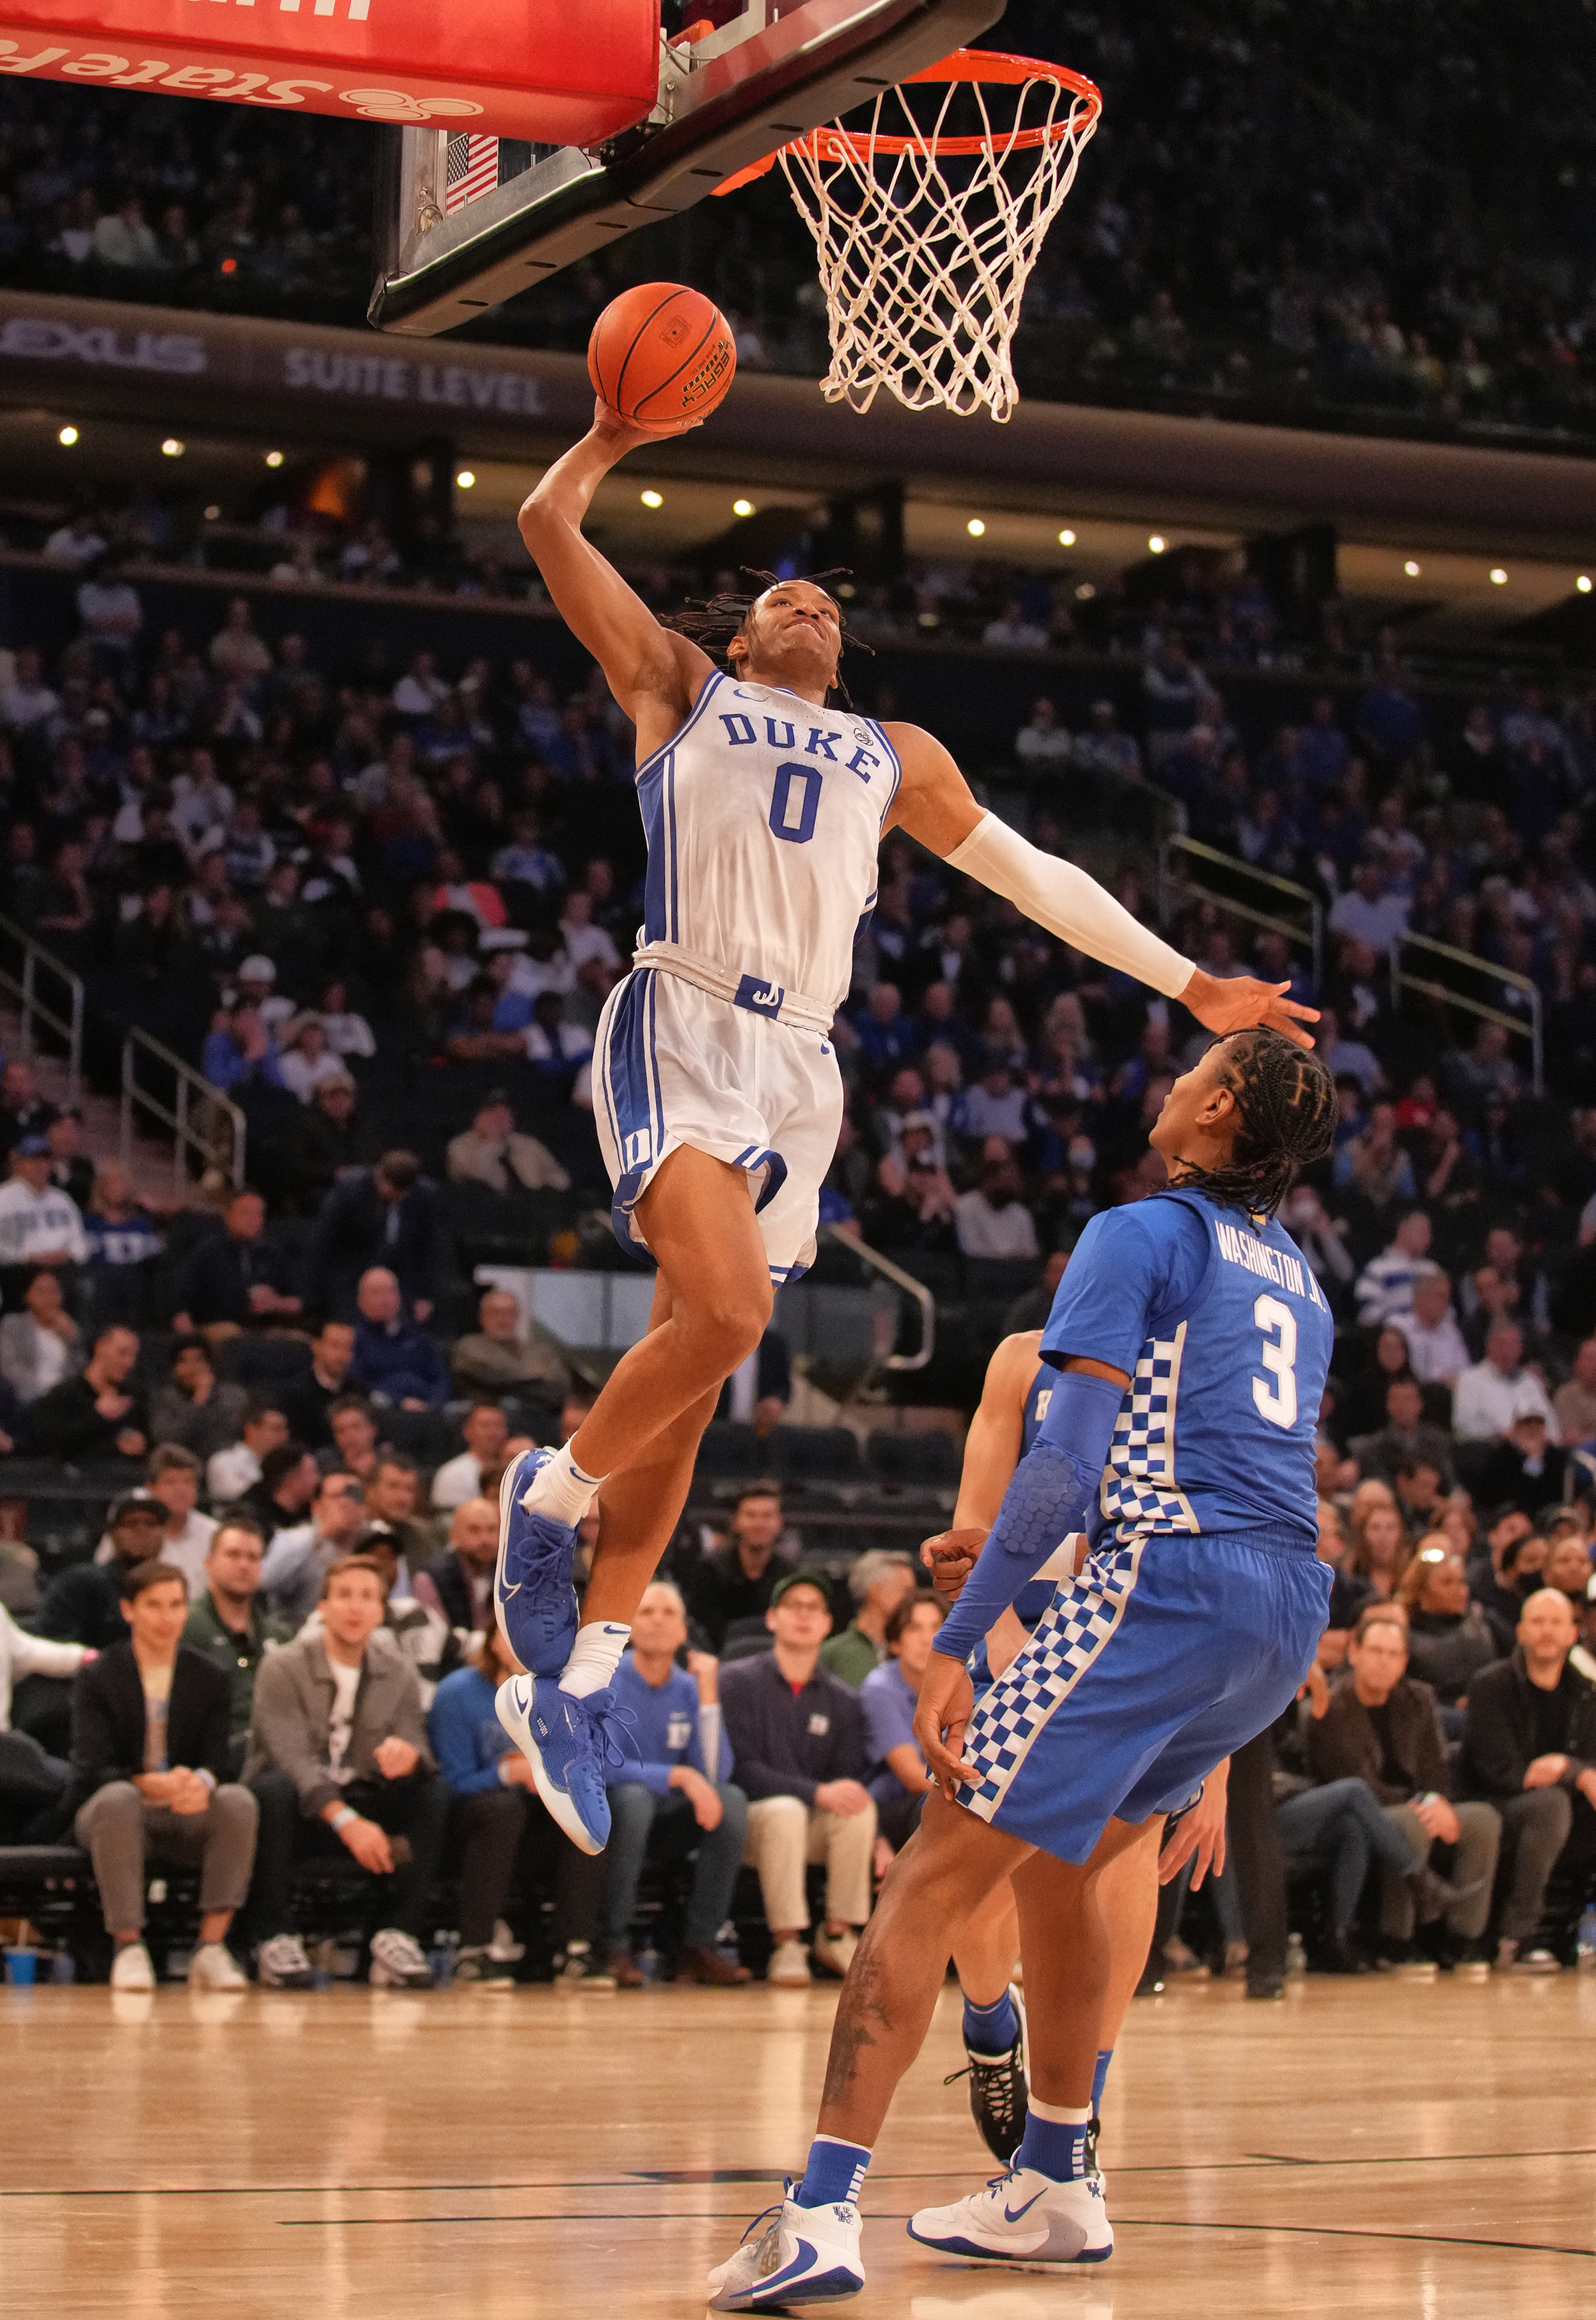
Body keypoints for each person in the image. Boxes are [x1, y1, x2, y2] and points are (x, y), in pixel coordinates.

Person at [489, 404, 1314, 1856]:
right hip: (685, 1011)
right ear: (740, 641)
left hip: (801, 1069)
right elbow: (547, 527)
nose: (802, 594)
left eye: (824, 596)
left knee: (697, 1380)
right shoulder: (678, 687)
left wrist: (1190, 983)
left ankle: (583, 1681)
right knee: (732, 1315)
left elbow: (1034, 875)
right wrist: (613, 433)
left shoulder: (895, 753)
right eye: (774, 592)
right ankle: (545, 1502)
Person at [706, 1025, 1337, 2307]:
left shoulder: (1138, 1230)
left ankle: (820, 2211)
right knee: (1078, 1860)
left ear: (1217, 1110)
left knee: (926, 1880)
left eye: (1193, 1068)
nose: (1167, 1079)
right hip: (1285, 1603)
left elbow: (1063, 1466)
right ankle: (1056, 2176)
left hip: (1170, 1574)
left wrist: (952, 1647)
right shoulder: (1304, 1283)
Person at [244, 1553, 450, 1990]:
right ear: (322, 1607)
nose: (355, 1608)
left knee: (432, 1793)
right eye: (343, 1596)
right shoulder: (281, 1666)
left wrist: (410, 1757)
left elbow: (419, 1743)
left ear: (381, 1611)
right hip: (300, 1812)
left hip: (361, 1801)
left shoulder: (398, 1672)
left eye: (367, 1598)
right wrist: (347, 1821)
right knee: (274, 1790)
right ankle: (274, 1936)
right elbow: (292, 1760)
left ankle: (399, 1935)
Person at [68, 1558, 257, 1991]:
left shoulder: (209, 1676)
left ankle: (211, 1948)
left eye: (176, 1605)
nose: (167, 1617)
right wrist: (147, 1783)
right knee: (119, 1799)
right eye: (154, 1605)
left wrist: (200, 1784)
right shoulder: (99, 1677)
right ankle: (129, 1946)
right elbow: (90, 1770)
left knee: (238, 1801)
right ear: (128, 1609)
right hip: (112, 1812)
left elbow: (219, 1761)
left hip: (183, 1809)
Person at [1305, 1605, 1498, 1967]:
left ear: (1405, 1661)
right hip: (1362, 1810)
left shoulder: (1419, 1699)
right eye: (1376, 1652)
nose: (1384, 1662)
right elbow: (1351, 1780)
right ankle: (1398, 1940)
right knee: (1409, 1823)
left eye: (1394, 1654)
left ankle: (1463, 1938)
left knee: (1483, 1819)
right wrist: (1422, 1803)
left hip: (1417, 1801)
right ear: (1354, 1653)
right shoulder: (1329, 1705)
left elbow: (1436, 1766)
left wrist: (1438, 1799)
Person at [720, 1572, 876, 1988]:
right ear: (772, 1619)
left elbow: (845, 1777)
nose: (804, 1617)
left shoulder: (842, 1698)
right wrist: (817, 1792)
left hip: (806, 1825)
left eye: (815, 1609)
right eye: (794, 1607)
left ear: (828, 1625)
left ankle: (838, 1933)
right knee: (785, 1810)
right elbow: (740, 1769)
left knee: (859, 1808)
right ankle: (786, 1943)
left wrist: (830, 1794)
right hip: (752, 1824)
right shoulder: (736, 1681)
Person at [428, 1620, 607, 1985]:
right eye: (514, 1635)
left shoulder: (564, 1697)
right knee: (503, 1810)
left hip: (534, 1825)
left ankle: (574, 1950)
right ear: (494, 1641)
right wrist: (508, 1774)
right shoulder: (457, 1693)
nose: (527, 1646)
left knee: (588, 1809)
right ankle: (473, 1952)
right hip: (470, 1821)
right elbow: (451, 1783)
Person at [601, 1579, 751, 1985]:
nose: (658, 1621)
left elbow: (717, 1775)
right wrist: (676, 1775)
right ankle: (612, 1944)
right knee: (634, 1799)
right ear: (629, 1628)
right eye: (647, 1612)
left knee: (732, 1800)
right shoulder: (606, 1681)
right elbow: (603, 1766)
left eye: (669, 1613)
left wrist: (707, 1697)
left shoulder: (690, 1688)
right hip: (613, 1815)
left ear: (685, 1632)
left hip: (670, 1820)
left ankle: (698, 1945)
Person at [1461, 1588, 1596, 1971]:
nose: (1547, 1632)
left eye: (1557, 1623)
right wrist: (1575, 1774)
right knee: (1551, 1804)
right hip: (1497, 1804)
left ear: (1573, 1634)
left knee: (1562, 1803)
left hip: (1564, 1807)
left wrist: (1567, 1768)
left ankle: (1571, 1934)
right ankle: (1520, 1937)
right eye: (1538, 1622)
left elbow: (1589, 1763)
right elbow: (1501, 1771)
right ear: (1520, 1631)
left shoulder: (1586, 1692)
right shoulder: (1490, 1685)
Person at [182, 1517, 291, 1771]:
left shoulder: (280, 1634)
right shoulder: (186, 1626)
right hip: (213, 1752)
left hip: (275, 1750)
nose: (244, 1565)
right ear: (209, 1563)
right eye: (233, 1555)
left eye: (253, 1558)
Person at [307, 1151, 448, 1321]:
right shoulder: (349, 1192)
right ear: (379, 1175)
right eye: (390, 1189)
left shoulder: (425, 1196)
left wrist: (425, 1296)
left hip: (400, 1276)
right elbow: (322, 1242)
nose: (394, 1196)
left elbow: (431, 1249)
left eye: (401, 1193)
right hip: (351, 1277)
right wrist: (312, 1294)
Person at [34, 1491, 168, 1649]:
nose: (141, 1530)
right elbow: (56, 1650)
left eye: (151, 1523)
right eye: (131, 1523)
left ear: (163, 1534)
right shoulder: (79, 1584)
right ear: (112, 1534)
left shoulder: (170, 1590)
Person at [0, 1602, 88, 1840]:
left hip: (6, 1745)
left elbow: (28, 1652)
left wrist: (87, 1658)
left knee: (86, 1786)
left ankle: (27, 1866)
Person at [170, 1189, 302, 1340]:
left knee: (300, 1341)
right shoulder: (208, 1253)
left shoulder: (273, 1255)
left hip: (265, 1329)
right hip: (219, 1328)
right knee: (232, 1334)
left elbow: (299, 1301)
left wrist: (276, 1303)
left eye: (258, 1214)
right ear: (228, 1217)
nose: (253, 1220)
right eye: (246, 1213)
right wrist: (190, 1343)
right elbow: (179, 1303)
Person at [685, 1485, 796, 1651]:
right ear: (736, 1522)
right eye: (751, 1515)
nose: (759, 1523)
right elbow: (700, 1632)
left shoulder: (790, 1575)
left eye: (767, 1516)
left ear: (779, 1523)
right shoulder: (710, 1570)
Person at [257, 1467, 369, 1630]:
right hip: (295, 1639)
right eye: (336, 1496)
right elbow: (263, 1581)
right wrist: (322, 1534)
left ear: (365, 1507)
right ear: (316, 1507)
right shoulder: (295, 1539)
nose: (346, 1503)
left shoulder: (378, 1544)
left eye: (354, 1496)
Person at [26, 1322, 147, 1463]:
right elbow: (52, 1446)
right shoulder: (64, 1396)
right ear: (100, 1347)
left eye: (133, 1356)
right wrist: (98, 1417)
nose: (129, 1363)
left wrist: (142, 1444)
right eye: (122, 1353)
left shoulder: (135, 1396)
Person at [450, 1285, 571, 1404]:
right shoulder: (470, 1347)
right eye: (495, 1313)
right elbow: (498, 1375)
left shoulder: (539, 1351)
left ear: (517, 1317)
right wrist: (539, 1376)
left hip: (539, 1415)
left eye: (510, 1313)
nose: (503, 1320)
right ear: (482, 1317)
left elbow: (561, 1384)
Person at [349, 1266, 449, 1409]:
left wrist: (432, 1404)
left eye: (390, 1292)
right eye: (376, 1293)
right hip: (384, 1412)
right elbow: (360, 1385)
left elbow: (441, 1378)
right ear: (361, 1300)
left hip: (428, 1411)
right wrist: (400, 1403)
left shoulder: (420, 1338)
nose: (384, 1299)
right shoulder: (354, 1340)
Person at [820, 1552, 918, 1687]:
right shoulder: (832, 1654)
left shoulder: (914, 1653)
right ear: (876, 1592)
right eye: (906, 1591)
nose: (914, 1600)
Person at [446, 1089, 571, 1196]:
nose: (501, 1118)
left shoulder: (527, 1144)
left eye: (505, 1113)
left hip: (532, 1204)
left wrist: (546, 1191)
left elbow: (559, 1176)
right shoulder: (460, 1146)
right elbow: (474, 1177)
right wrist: (493, 1141)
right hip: (489, 1208)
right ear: (478, 1117)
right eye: (494, 1114)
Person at [148, 1336, 249, 1463]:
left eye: (199, 1360)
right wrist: (198, 1401)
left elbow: (233, 1434)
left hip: (225, 1463)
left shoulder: (233, 1395)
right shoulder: (163, 1398)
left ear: (211, 1365)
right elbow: (167, 1440)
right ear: (174, 1369)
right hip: (179, 1466)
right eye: (183, 1361)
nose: (192, 1369)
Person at [0, 1131, 88, 1274]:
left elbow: (80, 1243)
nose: (40, 1165)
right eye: (33, 1159)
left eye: (45, 1159)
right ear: (19, 1163)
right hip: (19, 1272)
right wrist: (27, 1258)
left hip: (62, 1271)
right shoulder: (3, 1198)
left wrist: (70, 1255)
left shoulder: (62, 1200)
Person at [1452, 1322, 1557, 1442]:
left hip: (1534, 1451)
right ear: (1489, 1347)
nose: (1508, 1350)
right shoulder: (1470, 1380)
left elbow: (1552, 1426)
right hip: (1493, 1451)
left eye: (1513, 1345)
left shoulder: (1531, 1382)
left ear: (1520, 1349)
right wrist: (1499, 1434)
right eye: (1502, 1344)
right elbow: (1463, 1428)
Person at [414, 1495, 500, 1636]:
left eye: (492, 1530)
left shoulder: (511, 1575)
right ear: (454, 1536)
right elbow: (438, 1640)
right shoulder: (431, 1578)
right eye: (474, 1530)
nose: (485, 1539)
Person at [142, 1443, 217, 1596]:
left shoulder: (214, 1534)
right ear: (151, 1488)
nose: (180, 1490)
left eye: (188, 1482)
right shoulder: (131, 1531)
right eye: (171, 1482)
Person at [0, 1266, 81, 1403]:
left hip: (65, 1397)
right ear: (27, 1296)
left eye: (53, 1292)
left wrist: (73, 1340)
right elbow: (9, 1367)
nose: (49, 1298)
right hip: (27, 1396)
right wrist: (44, 1391)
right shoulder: (13, 1324)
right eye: (42, 1292)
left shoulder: (70, 1326)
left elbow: (82, 1370)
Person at [279, 1319, 357, 1450]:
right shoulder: (296, 1393)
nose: (341, 1355)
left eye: (348, 1348)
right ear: (317, 1347)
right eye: (335, 1346)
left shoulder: (357, 1391)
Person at [205, 1397, 289, 1505]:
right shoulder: (223, 1461)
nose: (284, 1436)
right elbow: (238, 1497)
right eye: (276, 1429)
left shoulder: (285, 1468)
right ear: (250, 1430)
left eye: (285, 1429)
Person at [431, 1401, 509, 1511]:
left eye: (498, 1426)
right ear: (467, 1431)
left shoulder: (510, 1470)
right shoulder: (451, 1473)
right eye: (485, 1426)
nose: (493, 1432)